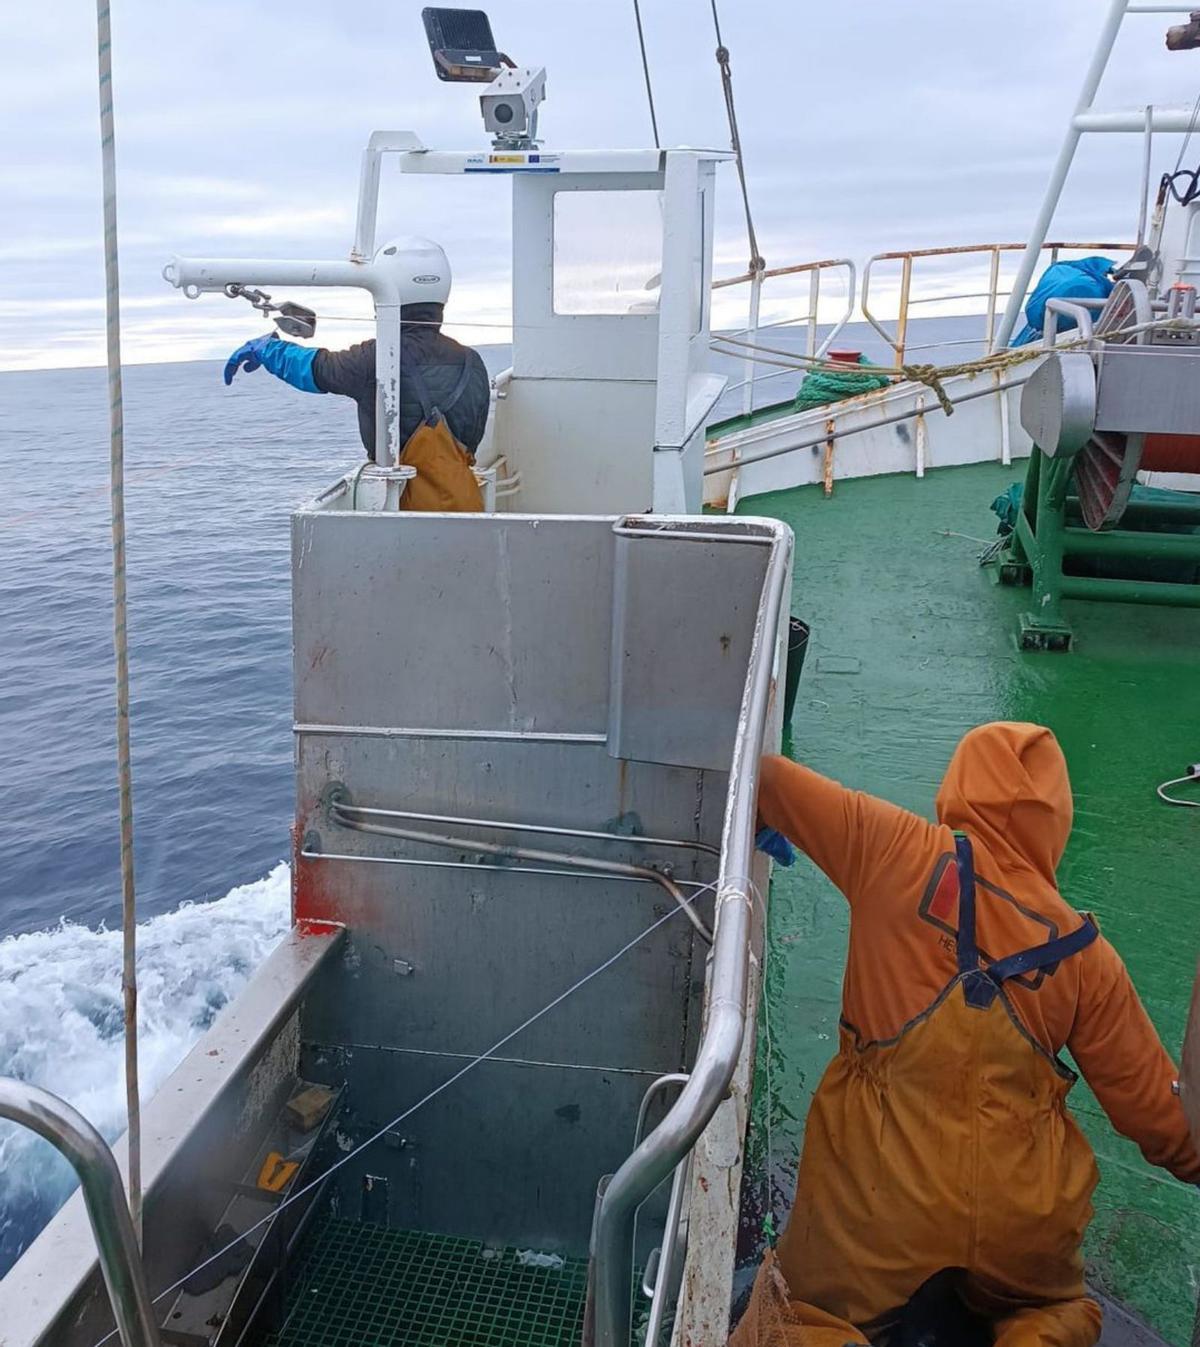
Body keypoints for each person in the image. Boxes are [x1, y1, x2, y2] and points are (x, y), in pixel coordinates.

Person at [737, 722, 1199, 1347]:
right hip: (1022, 1223)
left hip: (880, 1209)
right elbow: (1160, 1119)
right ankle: (1038, 1330)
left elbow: (761, 777)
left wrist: (762, 822)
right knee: (1059, 1307)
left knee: (797, 1318)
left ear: (958, 788)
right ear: (1055, 821)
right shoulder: (1088, 954)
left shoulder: (890, 846)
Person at [223, 240, 490, 464]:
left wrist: (267, 349)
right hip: (460, 497)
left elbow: (314, 369)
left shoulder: (377, 359)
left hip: (401, 502)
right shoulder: (472, 362)